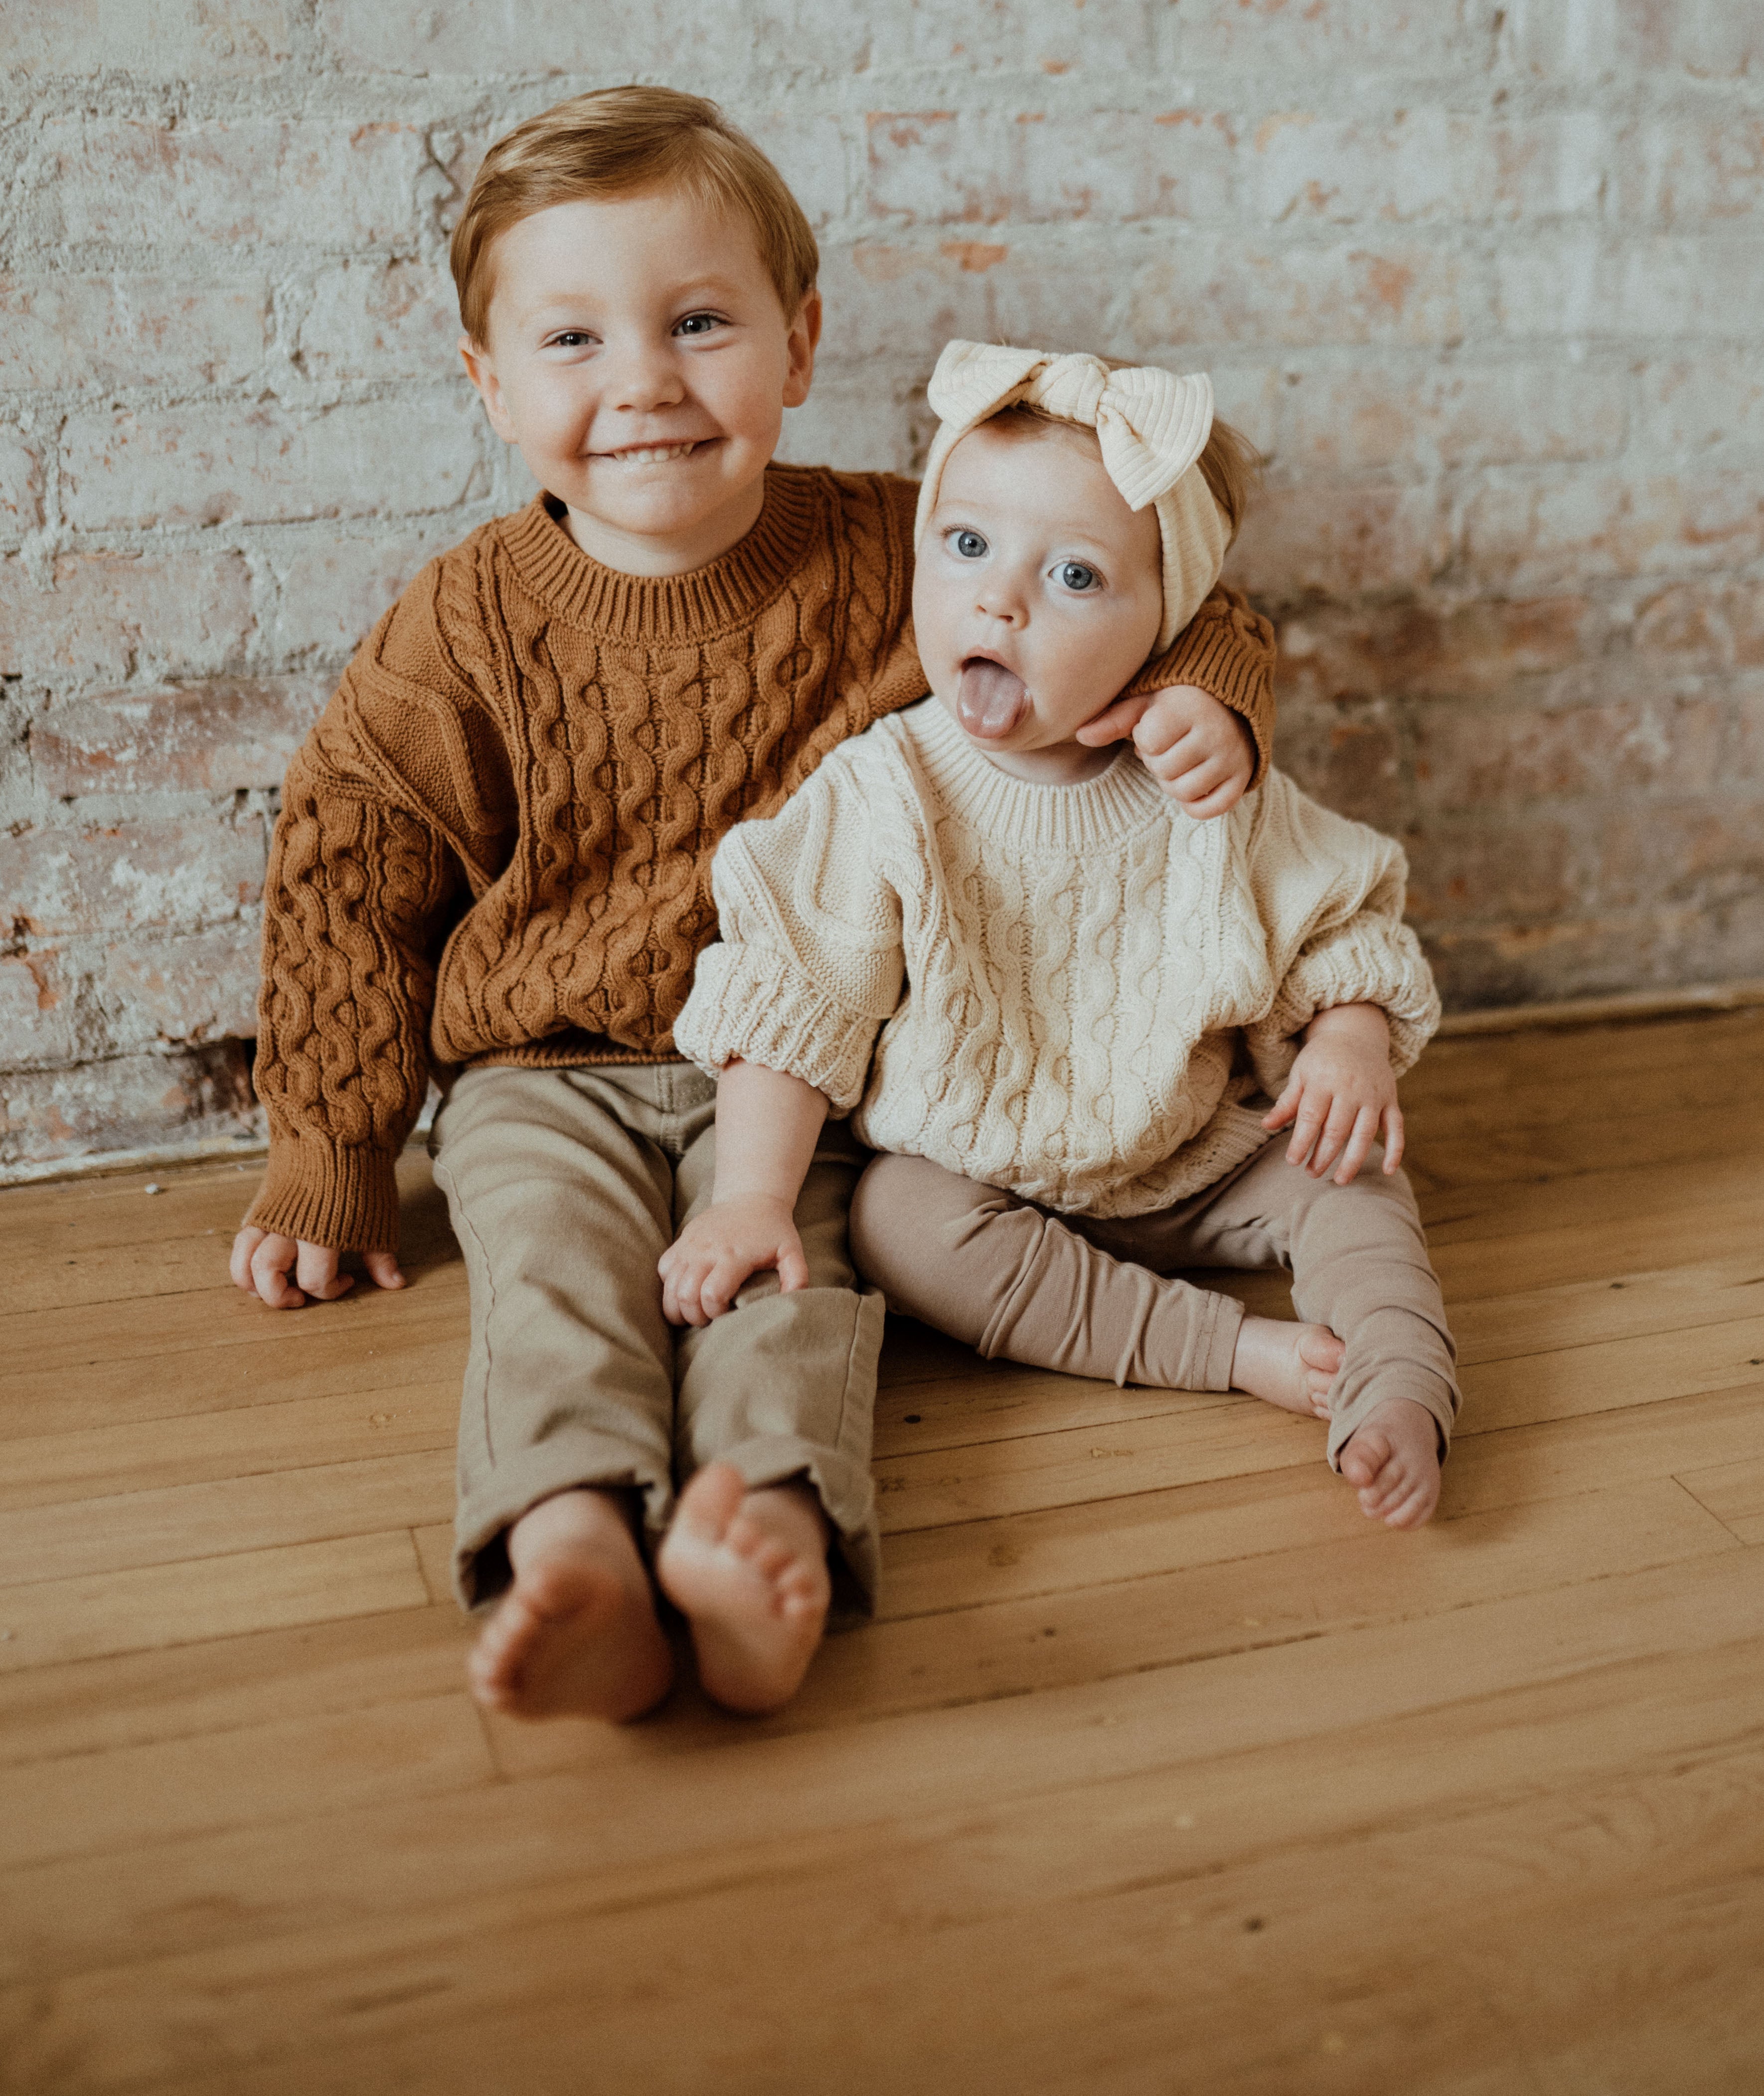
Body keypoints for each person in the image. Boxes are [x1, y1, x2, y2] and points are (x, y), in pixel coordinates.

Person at [231, 93, 1281, 1722]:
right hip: (544, 1068)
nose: (643, 380)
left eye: (698, 322)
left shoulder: (907, 549)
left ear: (796, 344)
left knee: (795, 1273)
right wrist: (331, 1145)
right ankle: (569, 1538)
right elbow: (351, 858)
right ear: (488, 383)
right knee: (556, 1274)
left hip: (807, 1077)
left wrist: (1205, 691)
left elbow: (1160, 584)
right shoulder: (467, 621)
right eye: (573, 336)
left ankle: (762, 1533)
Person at [672, 342, 1457, 1533]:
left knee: (1354, 1171)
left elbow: (1339, 915)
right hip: (986, 1182)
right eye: (969, 545)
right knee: (893, 1218)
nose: (1000, 599)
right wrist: (748, 1198)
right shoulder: (887, 790)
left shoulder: (1201, 777)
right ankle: (1232, 1349)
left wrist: (1348, 1039)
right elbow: (796, 999)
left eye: (1077, 575)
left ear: (1168, 620)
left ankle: (1402, 1379)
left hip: (1199, 1151)